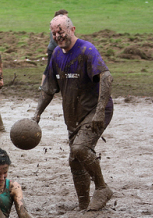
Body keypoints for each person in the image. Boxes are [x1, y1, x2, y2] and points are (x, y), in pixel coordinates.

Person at [33, 15, 114, 211]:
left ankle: (102, 188)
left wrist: (100, 112)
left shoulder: (87, 50)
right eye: (54, 33)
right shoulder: (56, 55)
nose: (57, 36)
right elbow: (48, 88)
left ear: (72, 29)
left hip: (95, 111)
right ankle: (84, 205)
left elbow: (106, 76)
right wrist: (36, 114)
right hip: (74, 116)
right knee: (74, 160)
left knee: (79, 149)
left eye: (60, 31)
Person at [40, 9, 68, 88]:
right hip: (53, 50)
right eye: (65, 16)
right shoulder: (55, 25)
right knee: (49, 68)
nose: (67, 18)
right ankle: (43, 86)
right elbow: (54, 40)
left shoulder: (63, 26)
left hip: (59, 50)